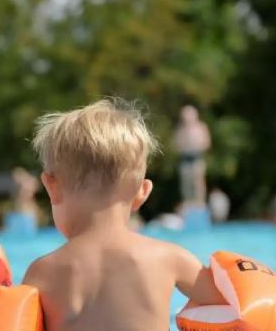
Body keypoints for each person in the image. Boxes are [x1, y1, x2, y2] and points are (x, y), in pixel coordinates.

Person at [23, 99, 224, 331]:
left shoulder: (43, 272)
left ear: (51, 187)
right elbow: (236, 309)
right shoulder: (171, 258)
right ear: (143, 193)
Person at [174, 105, 211, 206]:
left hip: (197, 159)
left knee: (198, 182)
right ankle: (188, 203)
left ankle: (200, 203)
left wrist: (195, 146)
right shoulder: (180, 129)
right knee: (185, 183)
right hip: (185, 160)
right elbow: (176, 145)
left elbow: (207, 143)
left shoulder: (201, 127)